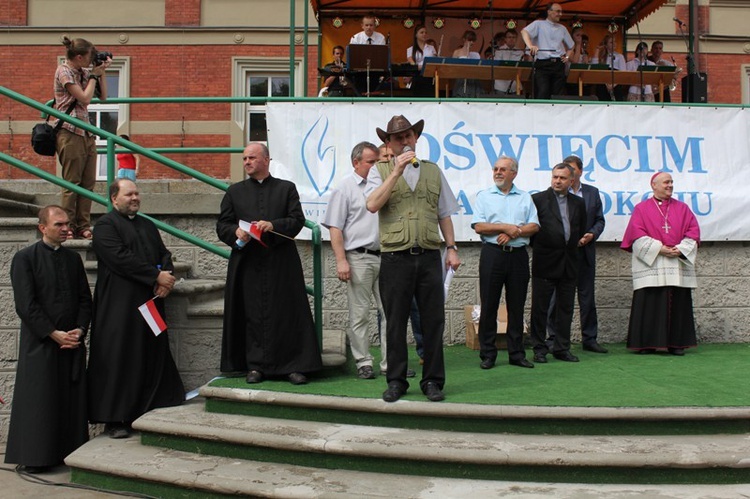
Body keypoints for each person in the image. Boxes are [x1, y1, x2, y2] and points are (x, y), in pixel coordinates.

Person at [366, 115, 461, 403]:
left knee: (433, 322)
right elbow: (371, 205)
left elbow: (443, 213)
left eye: (409, 136)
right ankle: (396, 381)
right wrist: (395, 172)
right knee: (395, 322)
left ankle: (432, 380)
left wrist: (452, 247)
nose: (405, 141)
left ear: (416, 138)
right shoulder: (379, 171)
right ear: (389, 144)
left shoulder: (433, 171)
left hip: (430, 255)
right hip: (395, 257)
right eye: (398, 138)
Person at [217, 143, 322, 386]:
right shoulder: (234, 192)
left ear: (266, 160)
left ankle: (292, 366)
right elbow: (222, 225)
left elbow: (297, 221)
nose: (247, 162)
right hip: (248, 263)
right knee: (252, 313)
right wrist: (235, 232)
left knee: (286, 313)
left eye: (252, 158)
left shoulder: (286, 189)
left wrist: (273, 225)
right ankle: (255, 366)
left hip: (280, 262)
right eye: (244, 158)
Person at [88, 179, 184, 439]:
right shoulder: (105, 226)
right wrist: (156, 278)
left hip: (151, 302)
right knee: (120, 357)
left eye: (137, 193)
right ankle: (116, 418)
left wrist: (166, 278)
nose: (135, 198)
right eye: (129, 194)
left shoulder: (147, 225)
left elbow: (164, 256)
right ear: (114, 198)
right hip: (120, 308)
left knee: (152, 352)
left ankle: (150, 406)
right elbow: (120, 258)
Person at [5, 205, 92, 473]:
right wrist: (53, 334)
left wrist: (79, 329)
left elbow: (84, 300)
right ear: (43, 228)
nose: (66, 229)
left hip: (71, 342)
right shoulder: (25, 258)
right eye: (59, 225)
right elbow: (26, 305)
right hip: (41, 343)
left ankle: (68, 453)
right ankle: (37, 457)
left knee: (69, 400)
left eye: (68, 224)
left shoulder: (73, 259)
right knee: (40, 402)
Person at [322, 142, 387, 380]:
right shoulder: (345, 188)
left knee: (390, 313)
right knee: (360, 314)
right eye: (371, 162)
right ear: (356, 162)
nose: (375, 166)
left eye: (378, 161)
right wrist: (341, 260)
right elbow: (335, 228)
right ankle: (363, 362)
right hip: (359, 257)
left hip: (387, 257)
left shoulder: (385, 185)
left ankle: (390, 363)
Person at [472, 157, 540, 370]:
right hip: (493, 254)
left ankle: (516, 353)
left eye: (503, 169)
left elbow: (535, 225)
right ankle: (488, 354)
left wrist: (515, 232)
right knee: (489, 305)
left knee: (517, 306)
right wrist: (505, 227)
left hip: (518, 255)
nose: (498, 172)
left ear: (514, 173)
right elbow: (479, 226)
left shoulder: (525, 197)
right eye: (495, 169)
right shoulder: (484, 196)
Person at [621, 173, 700, 355]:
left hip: (676, 261)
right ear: (654, 185)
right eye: (666, 182)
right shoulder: (642, 209)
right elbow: (636, 233)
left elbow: (693, 231)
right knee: (650, 301)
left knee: (677, 301)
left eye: (671, 182)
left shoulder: (683, 208)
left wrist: (680, 249)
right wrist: (659, 249)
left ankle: (676, 344)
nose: (670, 185)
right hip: (653, 262)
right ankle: (646, 343)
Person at [546, 156, 607, 353]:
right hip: (562, 254)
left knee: (587, 297)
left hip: (585, 252)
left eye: (571, 170)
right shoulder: (554, 193)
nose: (568, 175)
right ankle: (553, 338)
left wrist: (591, 234)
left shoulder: (591, 193)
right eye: (564, 171)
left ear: (580, 172)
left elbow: (599, 220)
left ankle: (589, 339)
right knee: (557, 298)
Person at [52, 36, 111, 240]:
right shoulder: (64, 71)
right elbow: (84, 98)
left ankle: (83, 226)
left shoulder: (84, 71)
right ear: (78, 56)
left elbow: (103, 97)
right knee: (71, 183)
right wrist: (93, 75)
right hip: (69, 131)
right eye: (89, 57)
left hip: (86, 131)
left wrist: (101, 72)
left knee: (88, 182)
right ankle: (67, 226)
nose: (90, 60)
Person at [530, 163, 587, 364]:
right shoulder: (537, 200)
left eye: (562, 178)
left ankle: (562, 348)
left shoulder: (578, 203)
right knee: (540, 308)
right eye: (555, 177)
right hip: (545, 262)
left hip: (569, 263)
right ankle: (539, 348)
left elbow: (580, 229)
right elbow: (531, 230)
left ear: (571, 181)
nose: (557, 181)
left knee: (565, 308)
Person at [521, 3, 574, 99]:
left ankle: (556, 113)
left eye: (561, 12)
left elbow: (571, 46)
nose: (560, 14)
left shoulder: (562, 28)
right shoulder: (539, 24)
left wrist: (567, 57)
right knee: (542, 91)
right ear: (549, 12)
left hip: (558, 64)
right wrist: (530, 46)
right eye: (558, 11)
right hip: (543, 63)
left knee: (557, 94)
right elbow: (524, 32)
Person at [591, 34, 626, 101]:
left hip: (615, 85)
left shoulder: (619, 56)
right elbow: (594, 67)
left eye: (615, 42)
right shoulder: (602, 56)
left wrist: (613, 85)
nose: (614, 44)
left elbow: (623, 73)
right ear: (606, 45)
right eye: (611, 42)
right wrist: (597, 50)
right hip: (602, 85)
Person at [493, 29, 529, 95]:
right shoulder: (499, 51)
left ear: (516, 39)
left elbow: (521, 68)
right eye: (509, 37)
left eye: (513, 37)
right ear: (505, 39)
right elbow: (497, 67)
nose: (511, 39)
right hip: (501, 86)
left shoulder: (520, 52)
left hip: (515, 86)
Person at [405, 25, 437, 97]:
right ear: (416, 35)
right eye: (421, 32)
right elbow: (412, 64)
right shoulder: (410, 49)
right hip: (417, 77)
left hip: (429, 77)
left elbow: (435, 62)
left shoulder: (431, 48)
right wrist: (423, 67)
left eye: (425, 32)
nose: (424, 34)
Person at [452, 30, 484, 98]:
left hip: (473, 81)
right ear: (464, 39)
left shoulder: (475, 55)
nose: (471, 42)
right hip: (461, 80)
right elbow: (453, 67)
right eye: (469, 40)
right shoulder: (457, 52)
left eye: (473, 40)